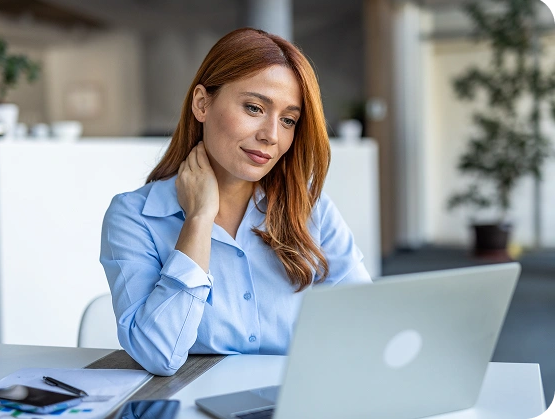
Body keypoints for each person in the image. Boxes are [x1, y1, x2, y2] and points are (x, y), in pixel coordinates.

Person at [100, 28, 371, 376]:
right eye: (254, 108)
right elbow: (157, 354)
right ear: (202, 103)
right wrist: (198, 219)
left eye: (288, 120)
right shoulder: (135, 216)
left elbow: (368, 326)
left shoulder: (312, 211)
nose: (271, 135)